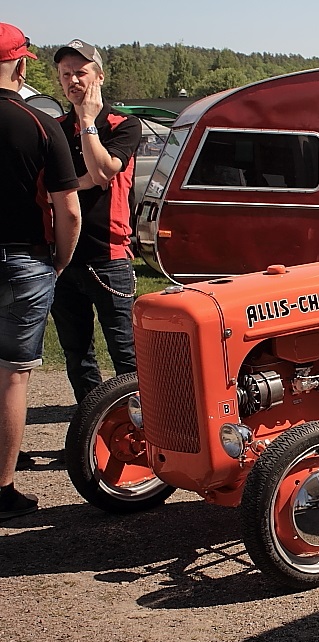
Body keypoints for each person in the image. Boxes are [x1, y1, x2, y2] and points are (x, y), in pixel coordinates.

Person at [0, 23, 81, 519]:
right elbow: (68, 210)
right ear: (23, 65)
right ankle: (2, 487)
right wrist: (60, 260)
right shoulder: (39, 123)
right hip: (23, 258)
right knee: (12, 376)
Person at [52, 40, 142, 404]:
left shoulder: (124, 124)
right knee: (77, 355)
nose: (74, 80)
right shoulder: (55, 128)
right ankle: (94, 428)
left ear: (99, 76)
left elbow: (103, 171)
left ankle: (148, 429)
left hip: (109, 257)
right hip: (62, 255)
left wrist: (88, 123)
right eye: (66, 74)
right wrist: (83, 179)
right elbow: (46, 186)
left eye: (81, 72)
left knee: (127, 354)